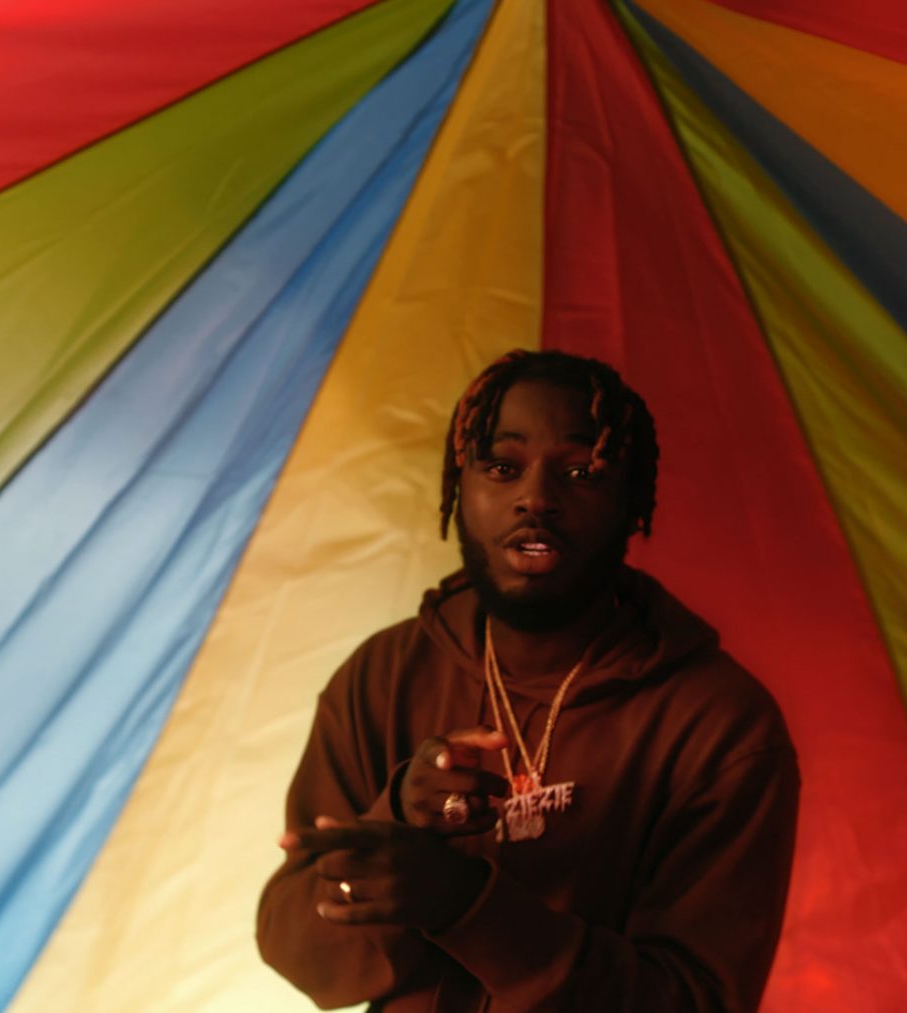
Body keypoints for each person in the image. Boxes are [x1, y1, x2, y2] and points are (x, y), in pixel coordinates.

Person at [257, 350, 799, 1011]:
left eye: (581, 472)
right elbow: (301, 956)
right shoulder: (383, 676)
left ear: (632, 502)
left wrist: (466, 906)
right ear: (460, 486)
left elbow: (694, 1001)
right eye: (502, 466)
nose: (536, 498)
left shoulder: (721, 725)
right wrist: (396, 815)